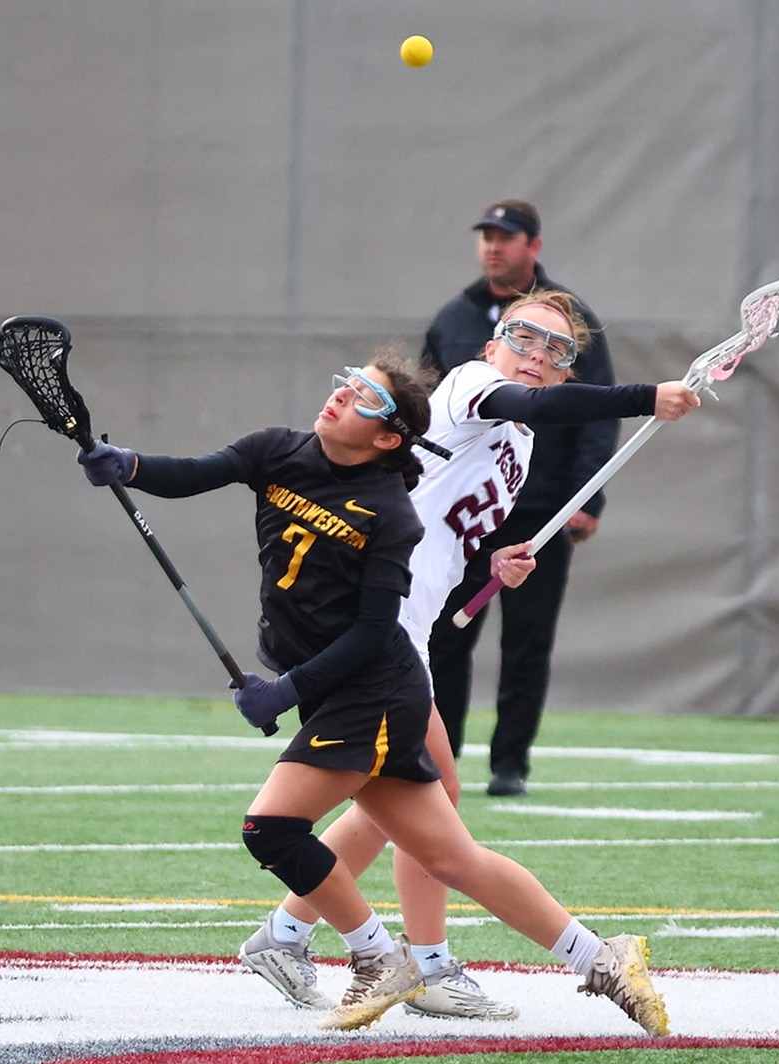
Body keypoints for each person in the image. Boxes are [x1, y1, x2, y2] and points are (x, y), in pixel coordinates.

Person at [78, 348, 672, 1036]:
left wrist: (284, 692)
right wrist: (127, 465)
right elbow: (190, 475)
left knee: (270, 827)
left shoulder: (391, 512)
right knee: (448, 852)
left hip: (372, 683)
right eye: (346, 384)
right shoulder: (278, 449)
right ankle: (602, 959)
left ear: (389, 437)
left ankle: (380, 957)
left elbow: (371, 633)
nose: (341, 396)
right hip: (344, 678)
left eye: (364, 398)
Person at [236, 295, 697, 1023]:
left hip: (403, 631)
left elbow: (448, 518)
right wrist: (646, 397)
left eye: (557, 350)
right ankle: (423, 962)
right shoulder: (470, 387)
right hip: (374, 628)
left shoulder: (520, 438)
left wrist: (495, 562)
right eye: (524, 336)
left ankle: (303, 938)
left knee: (425, 808)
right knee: (434, 826)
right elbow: (530, 403)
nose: (537, 354)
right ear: (494, 342)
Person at [422, 199, 618, 798]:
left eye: (506, 237)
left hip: (540, 510)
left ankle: (509, 763)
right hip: (457, 526)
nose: (493, 246)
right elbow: (434, 405)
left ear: (534, 246)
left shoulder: (572, 322)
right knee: (443, 642)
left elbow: (589, 408)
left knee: (527, 643)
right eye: (486, 235)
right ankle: (440, 755)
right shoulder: (458, 328)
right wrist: (650, 396)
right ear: (491, 347)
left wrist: (588, 495)